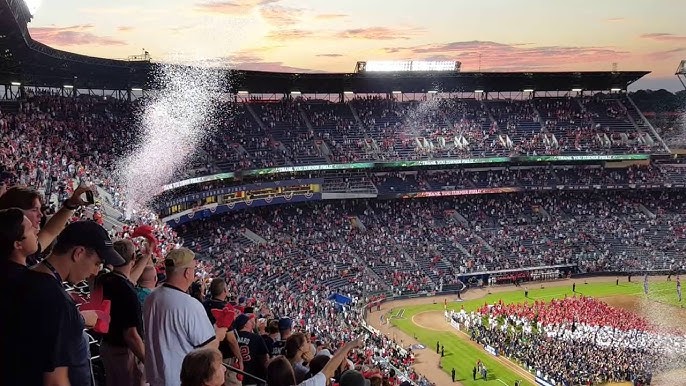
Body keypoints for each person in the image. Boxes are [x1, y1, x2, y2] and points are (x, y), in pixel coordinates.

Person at [4, 221, 125, 386]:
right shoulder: (58, 303)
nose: (95, 272)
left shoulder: (17, 276)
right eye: (97, 263)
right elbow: (55, 381)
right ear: (79, 253)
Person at [144, 248, 227, 386]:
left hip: (155, 378)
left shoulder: (151, 297)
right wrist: (218, 335)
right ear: (187, 272)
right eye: (194, 269)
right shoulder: (190, 305)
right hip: (179, 380)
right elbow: (207, 351)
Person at [98, 239, 146, 386]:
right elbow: (131, 335)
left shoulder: (103, 279)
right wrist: (148, 361)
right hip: (123, 352)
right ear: (133, 258)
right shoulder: (127, 291)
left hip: (106, 346)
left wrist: (147, 256)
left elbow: (127, 280)